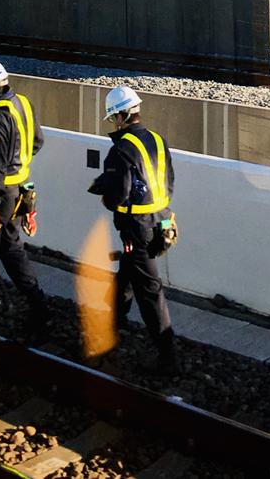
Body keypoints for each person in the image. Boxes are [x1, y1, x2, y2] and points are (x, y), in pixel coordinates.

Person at [88, 85, 177, 373]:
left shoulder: (120, 150)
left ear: (121, 116)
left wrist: (105, 194)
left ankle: (168, 357)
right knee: (127, 271)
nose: (114, 123)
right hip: (162, 222)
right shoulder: (157, 140)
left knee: (150, 291)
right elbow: (167, 181)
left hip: (137, 230)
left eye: (114, 117)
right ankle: (114, 320)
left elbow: (118, 196)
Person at [0, 58, 48, 337]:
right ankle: (39, 305)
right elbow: (37, 142)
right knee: (12, 250)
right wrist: (19, 166)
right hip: (18, 192)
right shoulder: (23, 103)